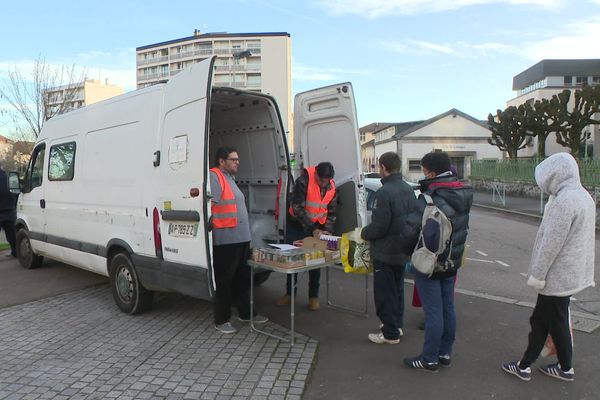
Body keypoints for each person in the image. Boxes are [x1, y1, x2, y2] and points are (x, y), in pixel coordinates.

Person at [502, 153, 595, 382]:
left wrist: (538, 275)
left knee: (547, 321)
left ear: (554, 175)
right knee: (549, 320)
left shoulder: (564, 202)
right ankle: (559, 367)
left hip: (556, 276)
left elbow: (550, 245)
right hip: (570, 274)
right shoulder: (583, 196)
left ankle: (530, 367)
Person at [403, 151, 473, 373]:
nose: (422, 174)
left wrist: (407, 254)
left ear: (432, 172)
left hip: (430, 262)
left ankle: (429, 359)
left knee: (433, 311)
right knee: (448, 308)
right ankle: (444, 353)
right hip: (452, 261)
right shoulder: (464, 192)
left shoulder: (429, 197)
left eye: (423, 171)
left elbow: (411, 230)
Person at [210, 146, 267, 334]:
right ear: (221, 161)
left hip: (241, 238)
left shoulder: (230, 179)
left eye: (237, 159)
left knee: (242, 278)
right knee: (225, 281)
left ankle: (246, 313)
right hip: (226, 239)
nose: (237, 162)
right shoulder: (215, 177)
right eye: (233, 159)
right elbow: (208, 205)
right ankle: (221, 319)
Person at [361, 152, 417, 344]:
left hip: (385, 251)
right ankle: (396, 325)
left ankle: (389, 333)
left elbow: (379, 226)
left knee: (385, 293)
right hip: (402, 248)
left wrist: (364, 233)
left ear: (383, 167)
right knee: (397, 290)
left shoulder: (384, 193)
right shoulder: (407, 189)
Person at [275, 162, 337, 311]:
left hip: (316, 228)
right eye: (321, 180)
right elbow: (297, 208)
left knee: (315, 261)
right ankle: (290, 293)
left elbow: (332, 212)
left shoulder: (332, 187)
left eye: (326, 181)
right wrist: (313, 229)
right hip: (297, 225)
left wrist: (327, 231)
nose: (323, 184)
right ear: (315, 173)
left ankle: (313, 296)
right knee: (293, 258)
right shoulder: (303, 182)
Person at [0, 165, 17, 258]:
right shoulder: (8, 177)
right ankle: (15, 252)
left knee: (11, 234)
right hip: (10, 210)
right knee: (12, 235)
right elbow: (15, 191)